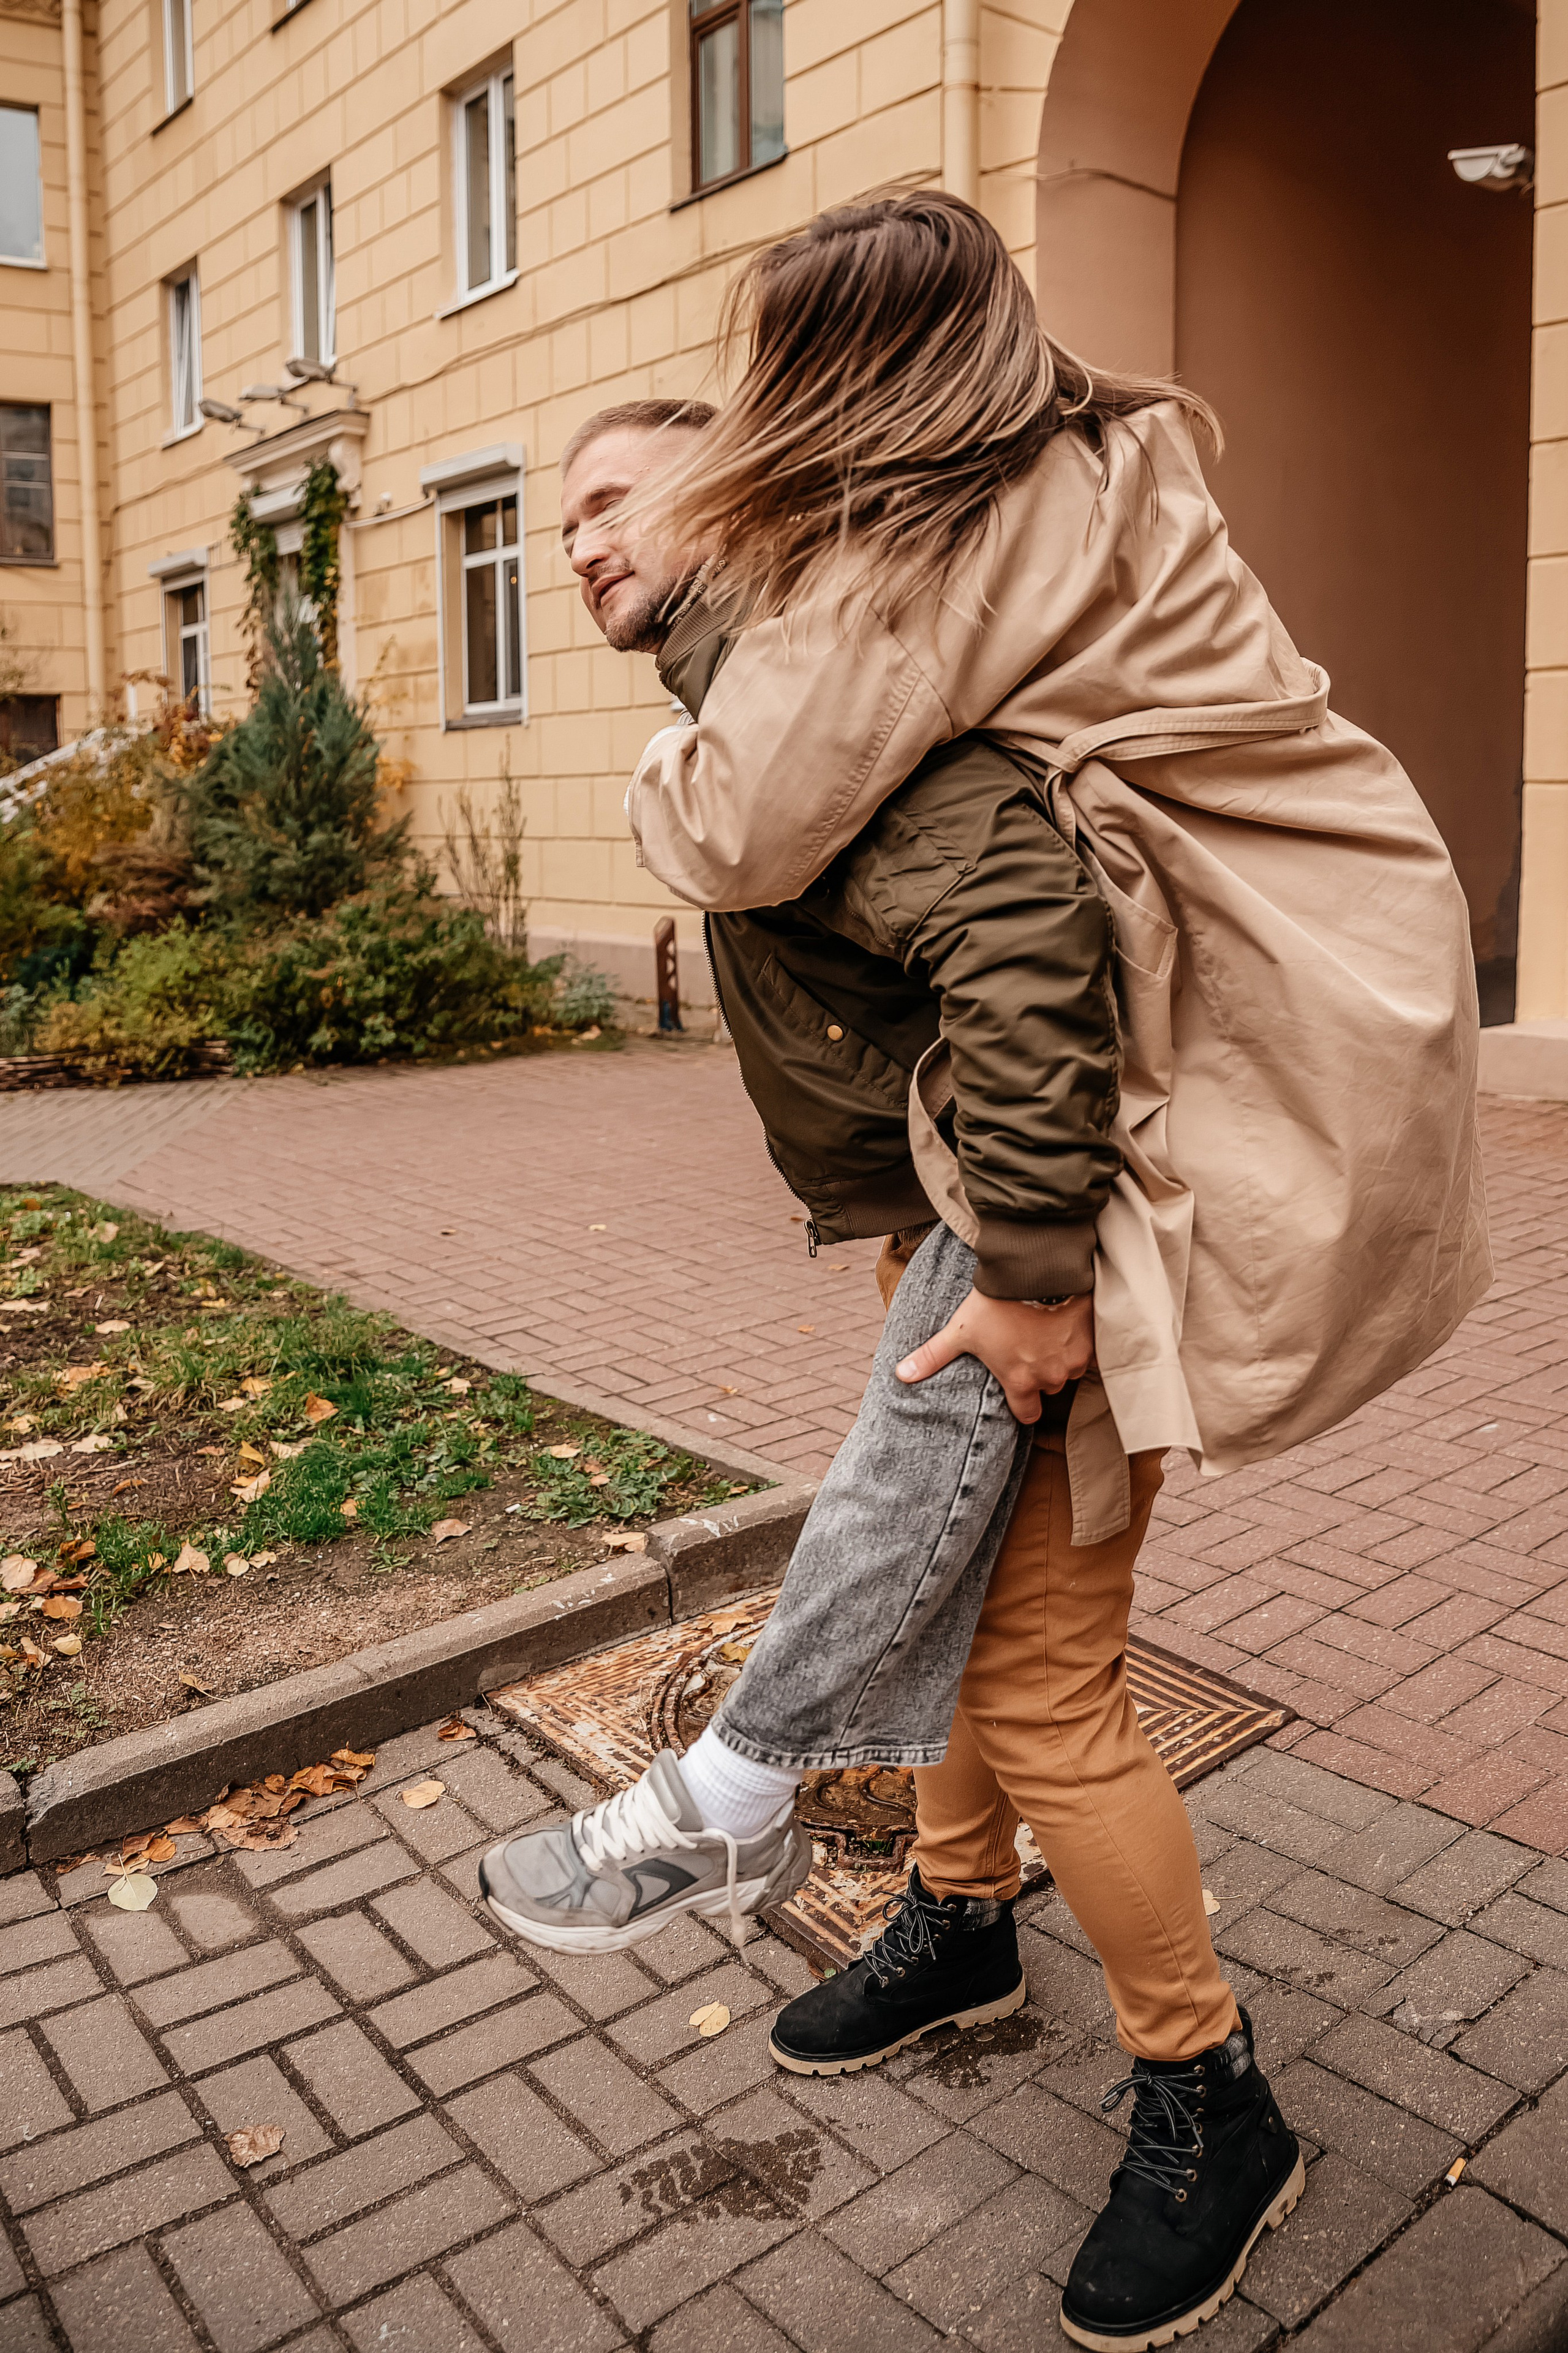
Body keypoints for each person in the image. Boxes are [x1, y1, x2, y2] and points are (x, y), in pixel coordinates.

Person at [482, 189, 1485, 2350]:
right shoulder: (1068, 472)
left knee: (1039, 1671)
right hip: (1011, 1180)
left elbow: (875, 880)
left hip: (1092, 1177)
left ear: (830, 389)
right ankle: (956, 1916)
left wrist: (1029, 1268)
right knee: (957, 1591)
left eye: (641, 481)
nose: (596, 535)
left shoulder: (923, 548)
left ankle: (1214, 2100)